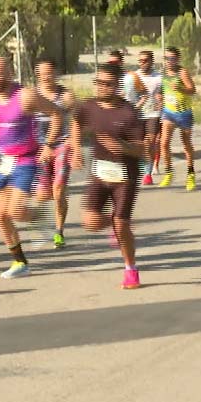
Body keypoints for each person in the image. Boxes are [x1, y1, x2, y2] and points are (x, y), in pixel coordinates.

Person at [0, 56, 62, 279]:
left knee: (14, 211)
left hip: (25, 159)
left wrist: (49, 145)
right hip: (0, 162)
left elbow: (57, 114)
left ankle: (40, 218)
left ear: (10, 73)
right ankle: (20, 262)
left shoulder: (25, 96)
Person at [70, 66, 146, 289]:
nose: (103, 87)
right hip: (99, 172)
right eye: (99, 82)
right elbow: (76, 122)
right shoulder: (88, 106)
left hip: (125, 176)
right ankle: (119, 227)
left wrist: (121, 146)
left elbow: (142, 150)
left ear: (118, 86)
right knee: (90, 222)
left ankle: (131, 270)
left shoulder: (129, 113)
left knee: (121, 224)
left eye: (108, 84)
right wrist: (75, 149)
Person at [33, 59, 76, 250]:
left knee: (57, 190)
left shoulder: (65, 96)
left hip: (61, 145)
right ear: (37, 74)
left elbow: (77, 121)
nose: (46, 76)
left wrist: (73, 142)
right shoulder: (32, 96)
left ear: (55, 73)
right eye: (42, 73)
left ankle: (59, 231)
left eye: (50, 72)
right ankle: (60, 198)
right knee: (43, 195)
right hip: (39, 148)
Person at [158, 46, 197, 192]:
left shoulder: (182, 72)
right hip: (169, 113)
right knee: (164, 143)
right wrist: (160, 97)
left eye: (172, 58)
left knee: (186, 144)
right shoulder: (163, 74)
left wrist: (180, 89)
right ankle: (168, 172)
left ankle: (190, 173)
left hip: (184, 114)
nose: (169, 61)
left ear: (177, 59)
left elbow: (192, 90)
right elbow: (163, 89)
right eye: (167, 58)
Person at [131, 51, 162, 184]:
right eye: (140, 61)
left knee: (149, 143)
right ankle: (138, 168)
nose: (142, 63)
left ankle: (147, 174)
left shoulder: (159, 78)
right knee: (138, 144)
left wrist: (162, 102)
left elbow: (164, 95)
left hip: (153, 114)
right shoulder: (133, 77)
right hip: (137, 113)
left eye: (145, 60)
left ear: (151, 62)